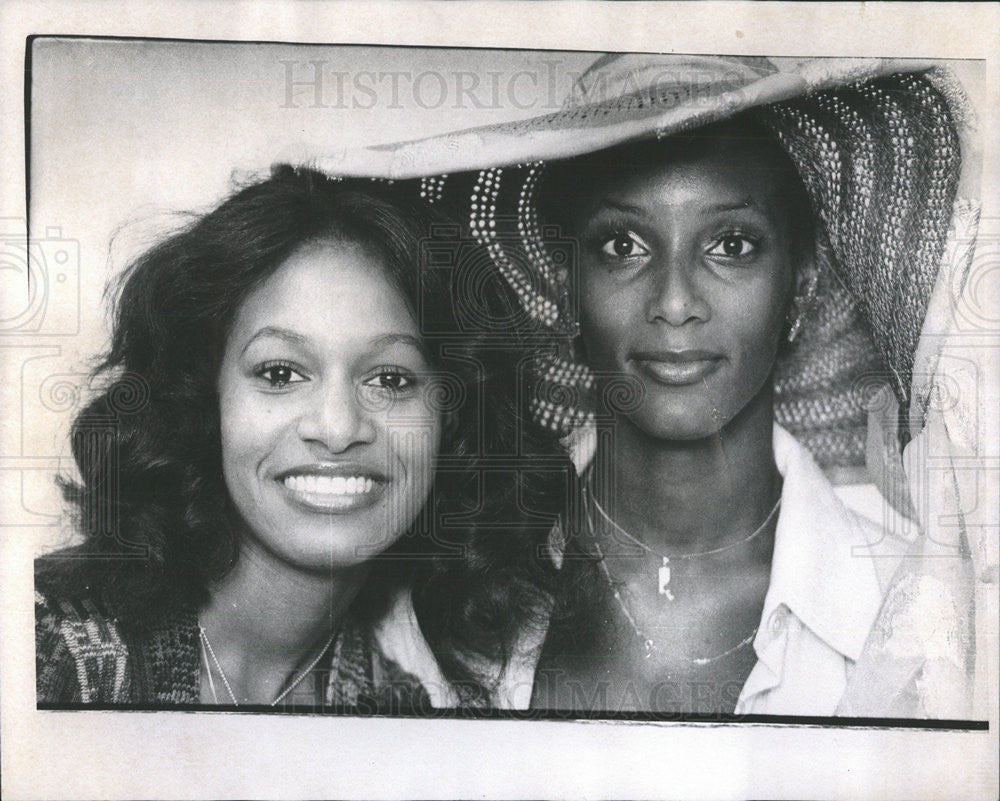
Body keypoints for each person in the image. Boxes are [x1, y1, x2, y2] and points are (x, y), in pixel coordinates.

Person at [299, 54, 984, 717]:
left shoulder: (922, 612)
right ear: (569, 290)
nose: (676, 300)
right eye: (623, 244)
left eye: (733, 244)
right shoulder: (433, 589)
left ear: (797, 288)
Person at [35, 166, 572, 708]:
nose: (337, 429)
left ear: (449, 420)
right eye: (280, 374)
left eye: (390, 379)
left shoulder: (397, 714)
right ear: (204, 397)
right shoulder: (43, 647)